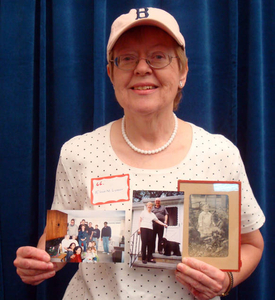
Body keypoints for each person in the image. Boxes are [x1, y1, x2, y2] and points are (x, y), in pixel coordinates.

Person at [14, 7, 265, 300]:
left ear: (182, 71)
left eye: (158, 56)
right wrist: (41, 261)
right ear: (111, 73)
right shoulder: (78, 152)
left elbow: (252, 243)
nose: (142, 68)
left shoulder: (219, 154)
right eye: (127, 58)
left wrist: (226, 281)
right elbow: (58, 238)